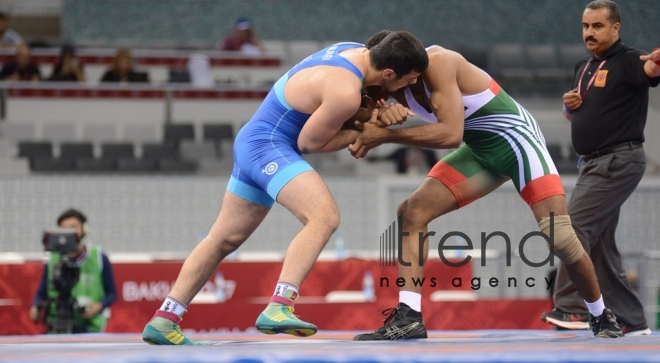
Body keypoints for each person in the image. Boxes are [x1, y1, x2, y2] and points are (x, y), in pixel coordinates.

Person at [141, 31, 429, 345]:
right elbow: (309, 143)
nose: (410, 87)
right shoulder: (345, 91)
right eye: (409, 79)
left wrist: (374, 110)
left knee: (223, 239)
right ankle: (280, 306)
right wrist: (369, 130)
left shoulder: (351, 51)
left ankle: (164, 319)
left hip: (253, 140)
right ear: (389, 73)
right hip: (269, 146)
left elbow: (353, 100)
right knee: (324, 217)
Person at [350, 30, 625, 340]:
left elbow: (450, 135)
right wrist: (375, 114)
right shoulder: (379, 81)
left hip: (517, 141)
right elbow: (356, 120)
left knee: (559, 236)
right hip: (480, 150)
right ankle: (409, 317)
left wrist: (385, 134)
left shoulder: (438, 63)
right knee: (411, 212)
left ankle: (601, 314)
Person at [540, 0, 660, 336]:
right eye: (585, 26)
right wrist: (569, 107)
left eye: (597, 26)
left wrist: (656, 63)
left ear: (615, 28)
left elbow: (651, 71)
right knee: (601, 248)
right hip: (592, 163)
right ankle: (631, 319)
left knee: (570, 230)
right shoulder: (584, 66)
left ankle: (573, 307)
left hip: (618, 160)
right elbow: (580, 116)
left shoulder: (630, 60)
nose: (589, 33)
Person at [29, 209, 117, 333]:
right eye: (64, 228)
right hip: (56, 327)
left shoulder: (98, 257)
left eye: (73, 227)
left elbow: (112, 293)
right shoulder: (52, 259)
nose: (68, 232)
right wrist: (35, 307)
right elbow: (42, 291)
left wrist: (99, 306)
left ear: (84, 230)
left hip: (90, 328)